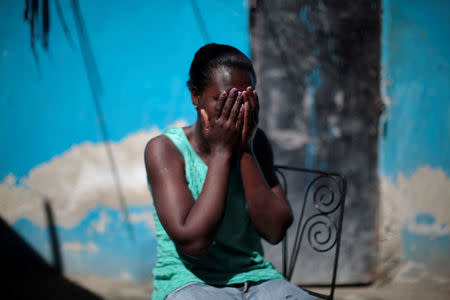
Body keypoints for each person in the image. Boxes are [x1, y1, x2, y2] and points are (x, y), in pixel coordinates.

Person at [145, 43, 315, 300]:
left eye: (246, 99)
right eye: (226, 100)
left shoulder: (256, 143)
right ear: (195, 95)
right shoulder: (166, 150)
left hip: (257, 278)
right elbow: (194, 244)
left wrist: (245, 149)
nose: (237, 111)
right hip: (191, 283)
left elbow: (275, 230)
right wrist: (222, 152)